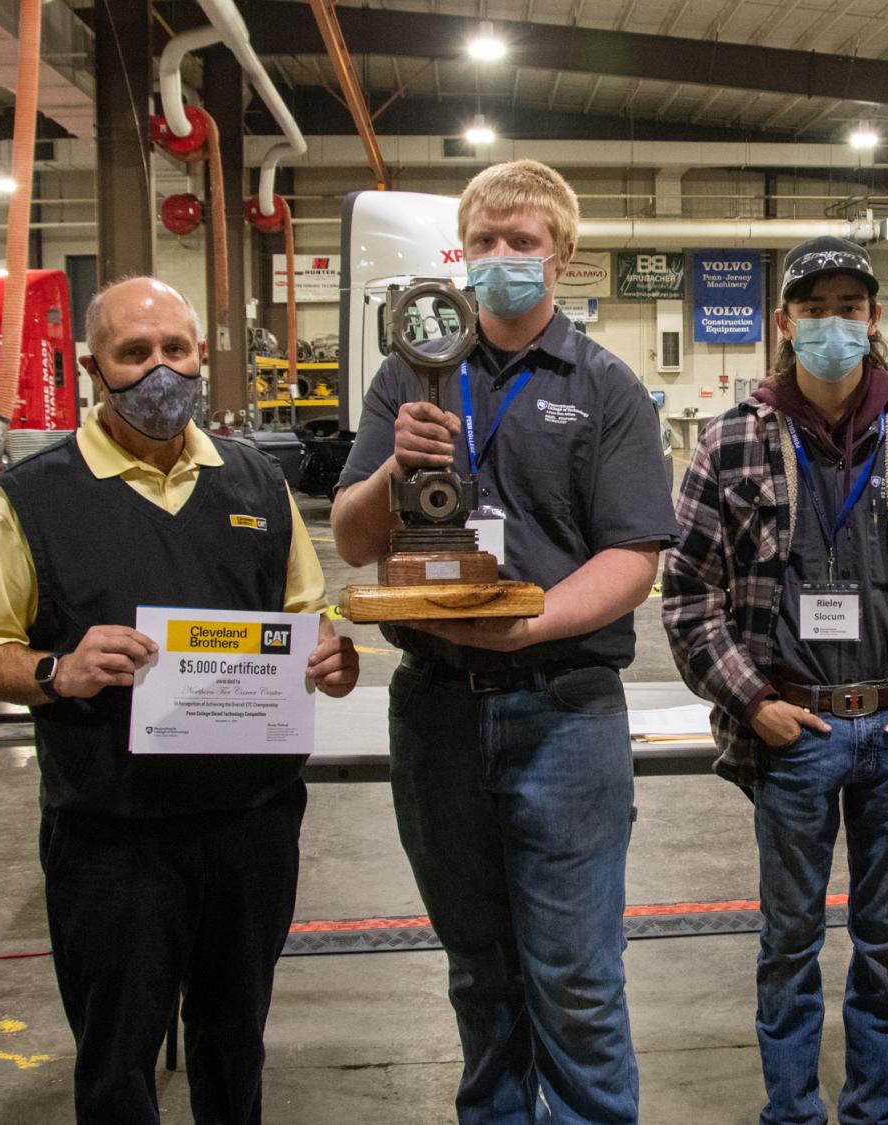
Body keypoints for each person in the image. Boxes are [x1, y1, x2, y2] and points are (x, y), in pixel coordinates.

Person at [0, 276, 360, 1125]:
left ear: (201, 355)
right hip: (113, 834)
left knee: (235, 1040)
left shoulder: (254, 483)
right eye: (134, 354)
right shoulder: (34, 497)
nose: (159, 370)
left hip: (250, 825)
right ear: (96, 366)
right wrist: (59, 669)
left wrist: (331, 661)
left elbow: (302, 621)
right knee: (117, 1058)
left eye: (175, 349)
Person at [330, 159, 677, 1124]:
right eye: (483, 242)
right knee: (478, 975)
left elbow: (632, 557)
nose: (500, 259)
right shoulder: (410, 375)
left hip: (564, 709)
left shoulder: (607, 387)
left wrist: (526, 624)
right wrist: (396, 464)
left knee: (574, 978)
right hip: (436, 710)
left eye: (521, 243)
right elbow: (355, 539)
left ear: (560, 257)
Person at [662, 236, 888, 1125]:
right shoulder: (731, 444)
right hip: (794, 736)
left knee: (886, 943)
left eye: (849, 309)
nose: (831, 325)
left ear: (874, 320)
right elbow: (689, 596)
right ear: (783, 322)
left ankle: (874, 1112)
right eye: (813, 310)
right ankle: (792, 1113)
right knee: (788, 940)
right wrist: (754, 703)